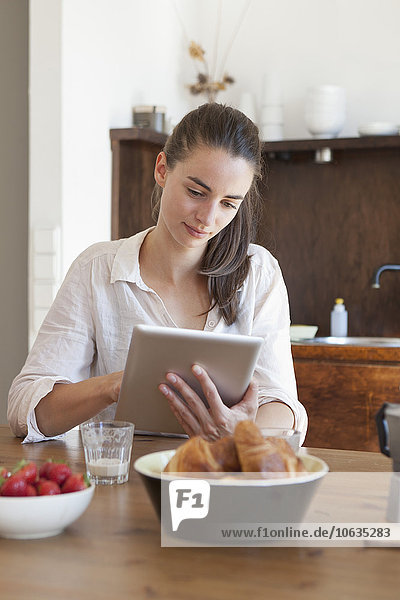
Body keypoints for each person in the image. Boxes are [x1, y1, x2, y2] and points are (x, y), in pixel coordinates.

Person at [8, 103, 307, 444]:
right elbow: (25, 408)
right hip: (120, 483)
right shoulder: (97, 271)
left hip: (223, 480)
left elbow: (284, 407)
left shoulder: (258, 272)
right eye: (196, 192)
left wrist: (241, 431)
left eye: (228, 203)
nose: (207, 218)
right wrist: (114, 385)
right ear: (163, 169)